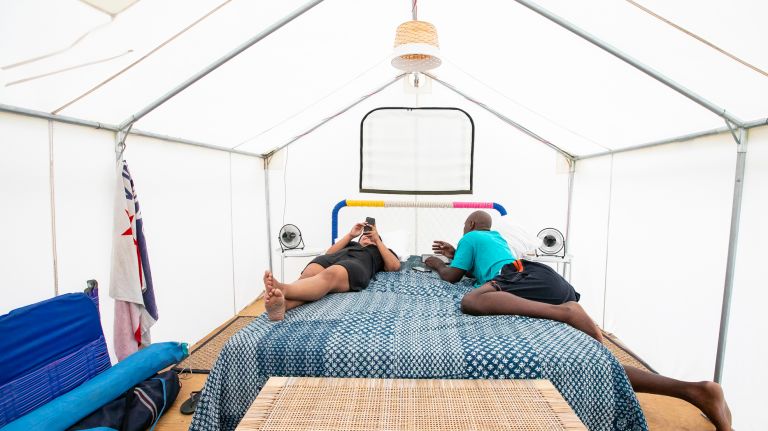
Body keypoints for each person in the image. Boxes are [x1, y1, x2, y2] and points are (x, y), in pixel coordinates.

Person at [425, 210, 732, 431]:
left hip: (519, 276)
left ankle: (565, 313)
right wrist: (456, 253)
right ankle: (695, 390)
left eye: (464, 227)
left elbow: (452, 276)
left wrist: (436, 261)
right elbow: (473, 267)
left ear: (472, 224)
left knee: (472, 300)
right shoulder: (493, 238)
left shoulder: (474, 234)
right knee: (604, 360)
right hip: (542, 277)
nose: (462, 233)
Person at [264, 221, 400, 321]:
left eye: (372, 237)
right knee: (311, 271)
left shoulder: (379, 251)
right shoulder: (351, 244)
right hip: (334, 258)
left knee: (330, 274)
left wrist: (377, 240)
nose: (368, 237)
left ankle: (284, 289)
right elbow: (329, 253)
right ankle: (284, 305)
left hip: (356, 264)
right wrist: (350, 235)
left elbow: (394, 266)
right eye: (365, 236)